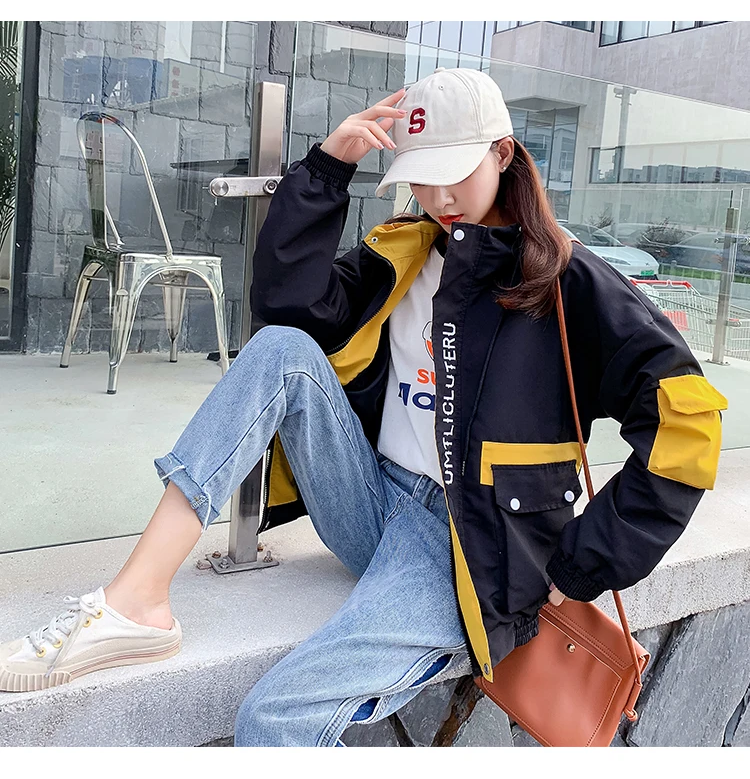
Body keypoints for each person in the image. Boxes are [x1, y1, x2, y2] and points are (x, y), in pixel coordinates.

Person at [0, 69, 727, 746]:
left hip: (463, 548)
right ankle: (136, 601)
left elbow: (687, 419)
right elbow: (288, 307)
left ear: (503, 154)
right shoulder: (406, 251)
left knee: (273, 720)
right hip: (372, 501)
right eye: (421, 178)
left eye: (453, 173)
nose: (438, 197)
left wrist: (580, 564)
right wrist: (329, 167)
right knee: (283, 349)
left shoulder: (569, 281)